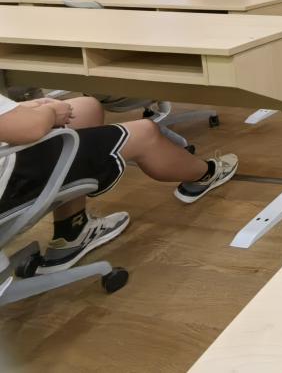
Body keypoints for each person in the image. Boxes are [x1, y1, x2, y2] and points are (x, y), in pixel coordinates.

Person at [0, 94, 237, 273]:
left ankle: (72, 230)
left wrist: (26, 108)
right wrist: (50, 112)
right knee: (145, 133)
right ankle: (205, 173)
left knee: (86, 108)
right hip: (12, 184)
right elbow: (30, 129)